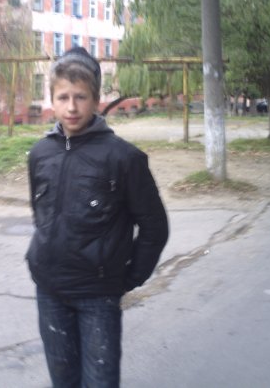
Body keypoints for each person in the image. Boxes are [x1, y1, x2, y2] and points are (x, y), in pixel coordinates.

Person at [26, 46, 169, 388]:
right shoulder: (40, 153)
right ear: (52, 100)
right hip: (49, 290)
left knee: (99, 381)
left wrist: (128, 278)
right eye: (63, 97)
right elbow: (40, 215)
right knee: (63, 380)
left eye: (81, 97)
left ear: (95, 100)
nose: (71, 107)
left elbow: (154, 227)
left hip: (97, 296)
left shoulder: (123, 158)